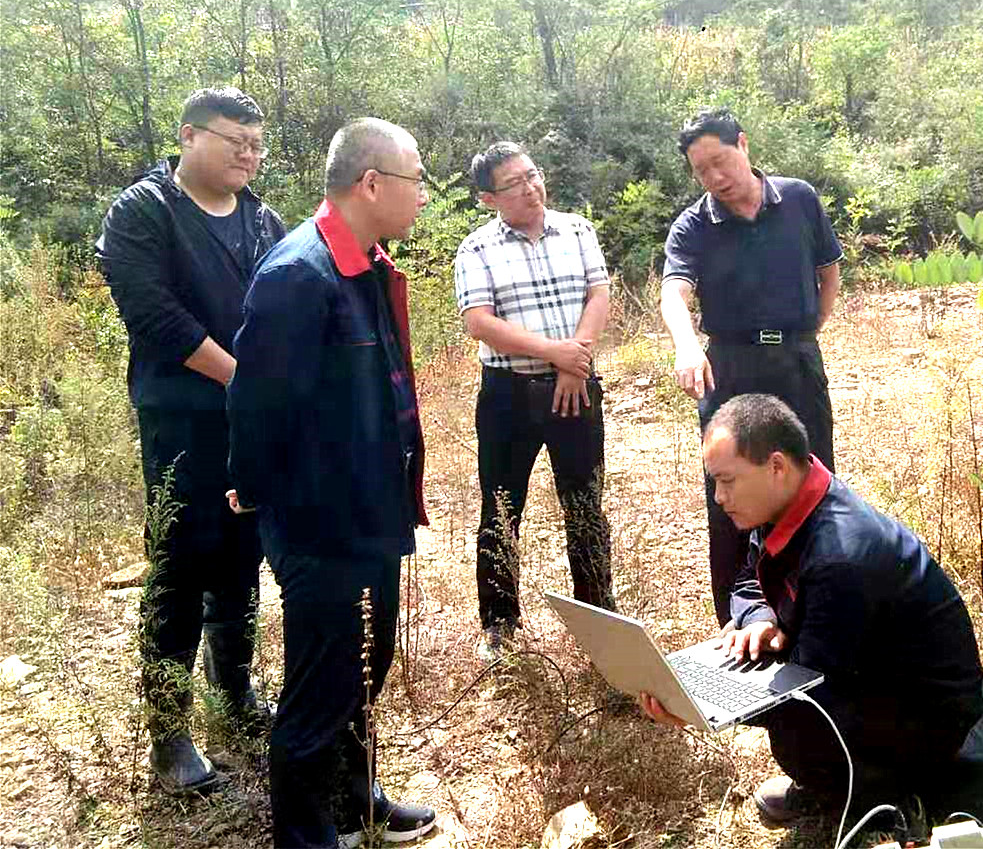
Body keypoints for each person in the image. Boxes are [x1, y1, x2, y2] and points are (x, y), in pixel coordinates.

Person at [228, 118, 437, 848]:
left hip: (371, 507)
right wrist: (263, 497)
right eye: (416, 179)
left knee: (365, 664)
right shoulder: (299, 273)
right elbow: (257, 403)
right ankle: (305, 836)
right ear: (371, 184)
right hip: (323, 519)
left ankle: (354, 801)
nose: (423, 195)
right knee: (321, 686)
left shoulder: (365, 261)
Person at [639, 394, 983, 828]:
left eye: (727, 481)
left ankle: (882, 797)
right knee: (789, 711)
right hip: (871, 672)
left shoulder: (842, 554)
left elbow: (808, 697)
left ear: (776, 466)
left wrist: (697, 703)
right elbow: (748, 579)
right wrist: (760, 618)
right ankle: (848, 781)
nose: (719, 497)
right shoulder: (788, 502)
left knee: (799, 734)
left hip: (927, 716)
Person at [95, 87, 286, 794]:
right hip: (181, 418)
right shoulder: (143, 212)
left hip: (250, 421)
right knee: (178, 564)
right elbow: (156, 316)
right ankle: (169, 735)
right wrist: (242, 378)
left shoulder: (262, 220)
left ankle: (234, 692)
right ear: (188, 136)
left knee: (242, 551)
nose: (248, 154)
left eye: (256, 144)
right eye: (235, 140)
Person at [660, 108, 843, 627]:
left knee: (811, 482)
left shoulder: (799, 198)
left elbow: (828, 270)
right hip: (731, 368)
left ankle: (812, 613)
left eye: (720, 161)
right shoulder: (694, 225)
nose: (715, 177)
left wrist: (808, 329)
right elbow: (674, 292)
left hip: (796, 361)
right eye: (701, 170)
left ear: (743, 144)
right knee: (731, 495)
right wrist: (687, 345)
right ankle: (736, 625)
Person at [454, 142, 615, 654]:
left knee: (585, 501)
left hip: (577, 387)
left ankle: (599, 615)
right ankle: (499, 623)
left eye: (533, 175)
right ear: (488, 198)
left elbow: (599, 293)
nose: (530, 188)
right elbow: (479, 322)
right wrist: (555, 354)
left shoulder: (577, 230)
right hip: (509, 395)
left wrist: (575, 361)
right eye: (514, 183)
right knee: (502, 507)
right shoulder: (476, 249)